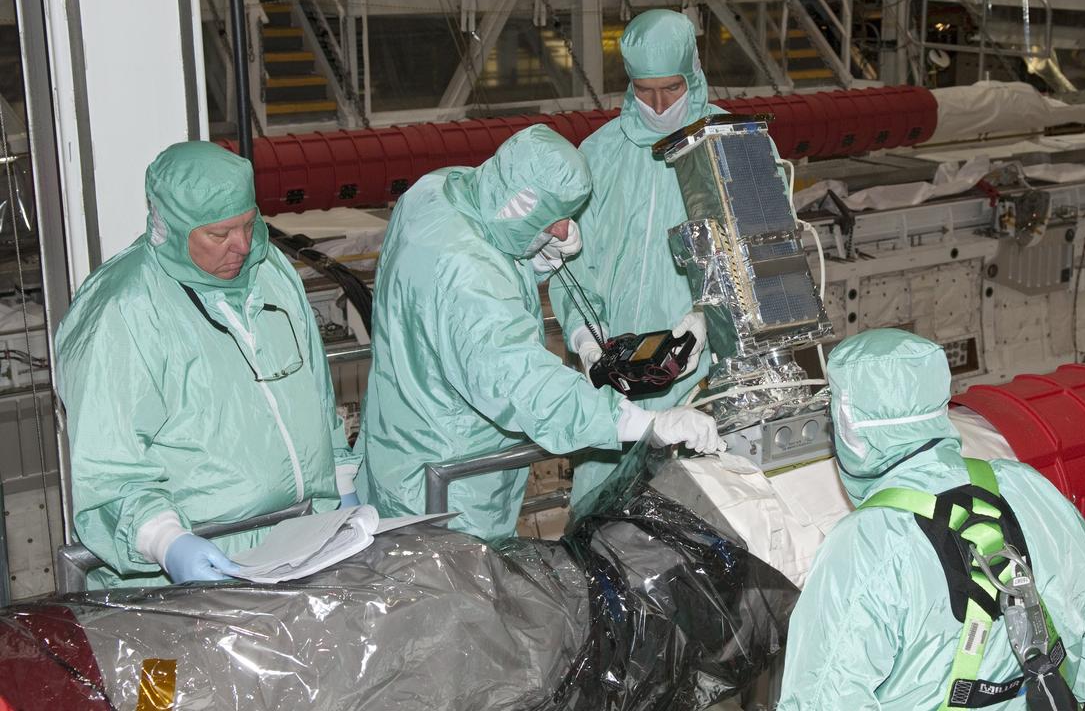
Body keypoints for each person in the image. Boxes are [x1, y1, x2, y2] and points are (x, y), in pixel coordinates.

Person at [355, 125, 722, 541]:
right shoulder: (466, 277)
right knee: (455, 596)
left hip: (403, 444)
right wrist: (645, 423)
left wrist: (528, 257)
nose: (565, 231)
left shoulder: (435, 191)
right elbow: (524, 382)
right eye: (554, 220)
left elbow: (463, 271)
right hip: (447, 485)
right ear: (520, 206)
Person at [56, 141, 360, 589]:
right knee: (174, 664)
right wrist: (165, 541)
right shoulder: (122, 311)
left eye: (248, 223)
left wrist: (340, 476)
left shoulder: (272, 272)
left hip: (294, 545)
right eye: (219, 235)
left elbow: (312, 389)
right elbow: (109, 465)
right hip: (201, 559)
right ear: (173, 229)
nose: (242, 245)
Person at [778, 329, 1085, 710]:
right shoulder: (1028, 486)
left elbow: (820, 701)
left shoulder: (864, 545)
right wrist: (1078, 697)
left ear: (850, 428)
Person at [548, 9, 727, 501]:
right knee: (601, 513)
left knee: (697, 516)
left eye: (671, 88)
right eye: (644, 90)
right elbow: (571, 266)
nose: (658, 103)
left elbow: (757, 255)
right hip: (617, 373)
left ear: (691, 73)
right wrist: (585, 338)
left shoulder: (731, 147)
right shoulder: (601, 154)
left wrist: (707, 320)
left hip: (703, 375)